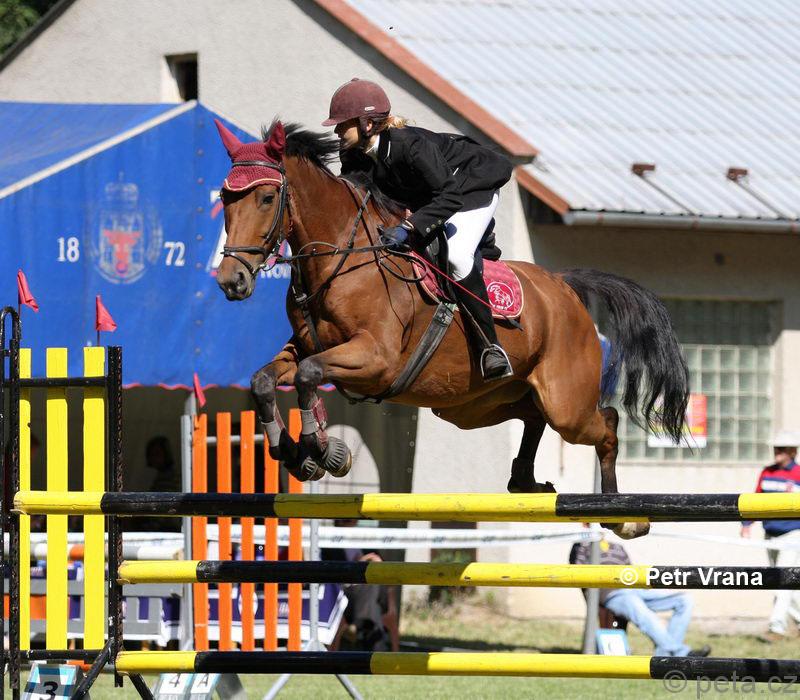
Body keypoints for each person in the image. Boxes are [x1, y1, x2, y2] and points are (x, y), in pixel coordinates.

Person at [323, 78, 514, 381]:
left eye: (342, 124)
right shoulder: (353, 154)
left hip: (469, 186)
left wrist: (410, 227)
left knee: (457, 257)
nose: (336, 131)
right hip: (432, 193)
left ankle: (490, 347)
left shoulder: (409, 147)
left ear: (366, 124)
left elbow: (449, 196)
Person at [570, 532, 710, 657]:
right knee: (643, 613)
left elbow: (631, 572)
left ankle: (665, 654)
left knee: (684, 600)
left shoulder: (618, 547)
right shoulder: (581, 547)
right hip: (611, 593)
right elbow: (577, 574)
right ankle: (680, 653)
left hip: (633, 589)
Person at [741, 429, 800, 642]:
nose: (777, 452)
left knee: (782, 580)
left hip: (793, 535)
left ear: (792, 452)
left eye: (782, 449)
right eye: (776, 448)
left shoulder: (799, 474)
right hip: (770, 535)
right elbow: (756, 499)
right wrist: (747, 523)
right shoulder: (767, 472)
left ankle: (777, 628)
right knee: (785, 582)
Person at [322, 519, 399, 652]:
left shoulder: (365, 540)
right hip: (347, 594)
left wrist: (379, 563)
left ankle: (359, 625)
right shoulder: (330, 543)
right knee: (373, 605)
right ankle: (376, 648)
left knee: (372, 586)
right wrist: (359, 564)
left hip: (373, 593)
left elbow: (386, 572)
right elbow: (331, 575)